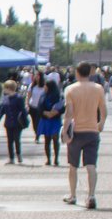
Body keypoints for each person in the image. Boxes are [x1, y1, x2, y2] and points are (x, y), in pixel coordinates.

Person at [64, 62, 108, 209]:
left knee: (73, 166)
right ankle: (91, 195)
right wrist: (101, 123)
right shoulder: (98, 89)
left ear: (77, 73)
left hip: (77, 131)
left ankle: (73, 195)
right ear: (90, 72)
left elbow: (69, 113)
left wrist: (65, 130)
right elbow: (103, 109)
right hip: (92, 130)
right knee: (91, 165)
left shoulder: (70, 89)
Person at [0, 80, 28, 164]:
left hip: (17, 123)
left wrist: (25, 121)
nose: (4, 90)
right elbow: (2, 111)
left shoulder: (19, 98)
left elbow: (23, 111)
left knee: (16, 140)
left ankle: (18, 154)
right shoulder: (6, 98)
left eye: (5, 88)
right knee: (9, 141)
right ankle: (11, 158)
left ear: (9, 88)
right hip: (8, 123)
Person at [38, 79, 64, 166]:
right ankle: (48, 159)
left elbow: (62, 107)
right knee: (47, 140)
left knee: (55, 139)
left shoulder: (58, 96)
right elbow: (39, 107)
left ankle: (56, 159)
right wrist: (45, 113)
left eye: (46, 85)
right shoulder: (43, 95)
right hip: (46, 120)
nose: (44, 87)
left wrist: (54, 113)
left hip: (55, 120)